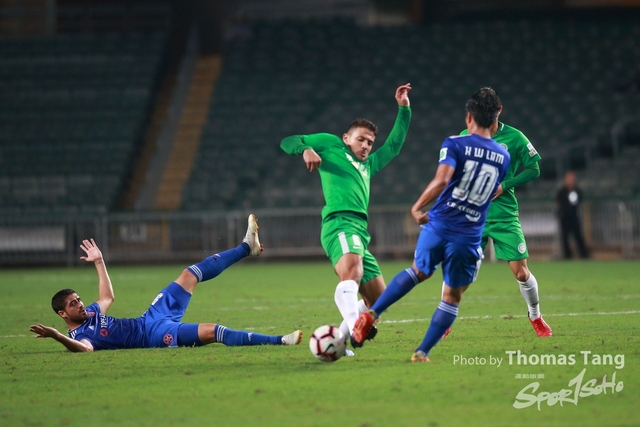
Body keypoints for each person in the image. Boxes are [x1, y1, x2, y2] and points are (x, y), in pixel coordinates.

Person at [351, 87, 510, 362]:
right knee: (451, 298)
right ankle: (422, 352)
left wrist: (417, 207)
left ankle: (372, 312)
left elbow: (441, 180)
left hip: (439, 224)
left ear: (468, 117)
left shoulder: (455, 143)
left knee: (417, 272)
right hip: (468, 235)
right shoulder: (504, 156)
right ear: (495, 120)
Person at [29, 215, 302, 352]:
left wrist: (99, 261)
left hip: (150, 318)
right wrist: (58, 336)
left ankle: (246, 247)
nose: (80, 304)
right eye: (73, 304)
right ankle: (280, 341)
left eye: (78, 299)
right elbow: (84, 350)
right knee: (214, 331)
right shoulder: (79, 336)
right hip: (154, 335)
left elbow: (107, 298)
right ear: (63, 314)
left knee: (188, 274)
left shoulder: (90, 314)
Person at [280, 84, 412, 348]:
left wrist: (404, 109)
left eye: (370, 142)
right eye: (361, 139)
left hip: (359, 231)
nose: (365, 145)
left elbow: (394, 145)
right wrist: (305, 149)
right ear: (346, 138)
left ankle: (337, 343)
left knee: (379, 301)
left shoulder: (369, 164)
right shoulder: (331, 145)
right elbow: (289, 140)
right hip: (339, 223)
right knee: (352, 272)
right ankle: (355, 327)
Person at [456, 93, 553, 337]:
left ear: (499, 110)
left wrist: (505, 185)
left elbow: (534, 168)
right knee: (461, 273)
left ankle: (535, 315)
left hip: (504, 215)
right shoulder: (465, 136)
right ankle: (445, 318)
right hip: (473, 217)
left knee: (521, 272)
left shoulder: (515, 137)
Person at [556, 170, 590, 259]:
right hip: (564, 218)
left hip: (574, 217)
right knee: (564, 237)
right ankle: (567, 256)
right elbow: (558, 202)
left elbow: (579, 201)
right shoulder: (562, 192)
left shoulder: (577, 191)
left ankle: (584, 255)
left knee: (578, 236)